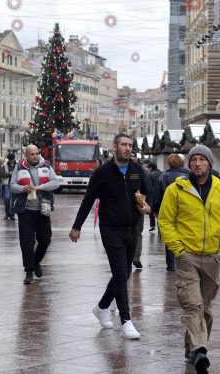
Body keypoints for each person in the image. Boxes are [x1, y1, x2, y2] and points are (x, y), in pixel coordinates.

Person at [158, 144, 220, 374]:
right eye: (194, 160)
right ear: (188, 164)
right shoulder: (176, 189)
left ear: (210, 164)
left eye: (202, 160)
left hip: (213, 256)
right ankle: (200, 350)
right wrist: (178, 250)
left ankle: (190, 347)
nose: (198, 163)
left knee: (206, 309)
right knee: (193, 304)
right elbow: (165, 221)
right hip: (187, 256)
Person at [69, 133, 151, 340]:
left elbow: (151, 192)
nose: (127, 148)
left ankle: (102, 307)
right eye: (123, 144)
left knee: (123, 274)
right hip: (110, 228)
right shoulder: (102, 172)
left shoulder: (137, 171)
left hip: (132, 228)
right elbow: (88, 200)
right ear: (115, 147)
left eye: (130, 145)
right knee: (120, 272)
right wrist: (76, 226)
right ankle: (126, 321)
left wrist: (149, 207)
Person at [11, 145, 60, 285]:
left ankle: (36, 261)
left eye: (37, 153)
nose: (35, 156)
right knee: (27, 242)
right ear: (26, 155)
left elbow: (56, 182)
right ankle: (28, 271)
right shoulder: (19, 167)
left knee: (45, 240)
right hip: (25, 211)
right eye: (32, 154)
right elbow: (12, 185)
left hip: (42, 210)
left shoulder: (46, 165)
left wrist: (41, 187)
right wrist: (22, 188)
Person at [153, 153, 191, 271]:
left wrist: (155, 210)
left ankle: (170, 264)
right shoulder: (189, 177)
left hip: (168, 210)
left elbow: (158, 195)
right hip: (185, 210)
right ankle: (185, 262)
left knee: (169, 237)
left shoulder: (163, 177)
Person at [146, 162, 163, 232]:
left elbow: (148, 186)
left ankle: (152, 226)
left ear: (151, 168)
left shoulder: (149, 175)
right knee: (161, 211)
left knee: (151, 211)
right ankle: (160, 227)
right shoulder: (162, 173)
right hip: (161, 195)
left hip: (152, 195)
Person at [0, 154, 17, 220]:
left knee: (13, 201)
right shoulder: (4, 165)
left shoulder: (18, 164)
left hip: (15, 185)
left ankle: (12, 215)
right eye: (10, 160)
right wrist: (9, 174)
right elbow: (1, 174)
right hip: (7, 184)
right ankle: (7, 214)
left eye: (12, 160)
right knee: (7, 199)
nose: (11, 161)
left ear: (14, 159)